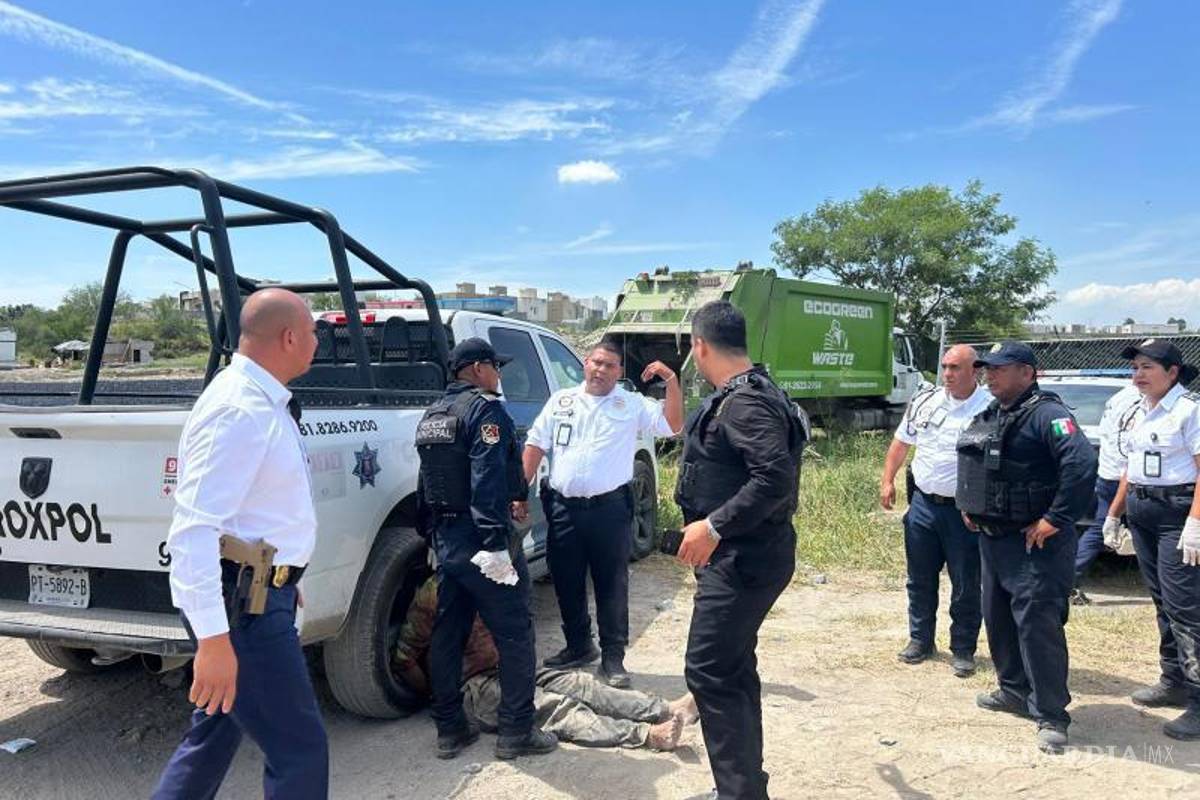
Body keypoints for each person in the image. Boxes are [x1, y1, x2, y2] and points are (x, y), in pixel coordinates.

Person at [152, 289, 327, 800]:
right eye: (313, 332)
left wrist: (286, 576)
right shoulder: (239, 409)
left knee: (214, 734)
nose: (317, 342)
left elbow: (257, 514)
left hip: (257, 593)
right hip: (242, 611)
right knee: (300, 751)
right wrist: (213, 641)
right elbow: (193, 528)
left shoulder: (261, 400)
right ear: (289, 338)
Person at [673, 301, 807, 800]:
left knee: (708, 669)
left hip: (743, 558)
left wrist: (713, 526)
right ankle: (745, 788)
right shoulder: (748, 393)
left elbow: (774, 477)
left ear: (700, 346)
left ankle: (739, 794)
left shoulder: (745, 402)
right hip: (743, 555)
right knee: (731, 668)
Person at [415, 337, 557, 761]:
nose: (499, 375)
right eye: (496, 366)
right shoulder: (484, 410)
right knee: (515, 634)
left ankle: (450, 729)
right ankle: (516, 731)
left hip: (447, 540)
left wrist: (432, 536)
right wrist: (495, 545)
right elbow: (486, 479)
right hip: (482, 541)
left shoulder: (433, 414)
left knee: (449, 632)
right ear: (478, 368)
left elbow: (425, 483)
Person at [956, 341, 1097, 754]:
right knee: (998, 619)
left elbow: (1081, 464)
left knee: (1038, 627)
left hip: (1035, 544)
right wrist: (971, 505)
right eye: (988, 368)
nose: (990, 375)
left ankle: (1051, 714)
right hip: (994, 539)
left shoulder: (1049, 415)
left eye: (1000, 368)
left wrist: (1056, 518)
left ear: (1027, 373)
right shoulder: (995, 412)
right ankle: (1013, 690)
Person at [522, 339, 683, 687]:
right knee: (566, 579)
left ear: (619, 371)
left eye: (610, 365)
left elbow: (673, 427)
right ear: (585, 363)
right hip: (563, 507)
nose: (601, 370)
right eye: (596, 362)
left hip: (609, 509)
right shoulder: (561, 401)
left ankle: (613, 657)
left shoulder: (631, 404)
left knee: (611, 583)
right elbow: (535, 444)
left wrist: (671, 381)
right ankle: (579, 645)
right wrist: (519, 491)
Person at [393, 575, 695, 751]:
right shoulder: (437, 590)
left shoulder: (497, 572)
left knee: (582, 684)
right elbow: (404, 659)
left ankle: (664, 709)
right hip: (475, 685)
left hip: (511, 668)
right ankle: (646, 736)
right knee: (555, 707)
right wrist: (441, 698)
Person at [1105, 339, 1200, 739]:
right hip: (1143, 510)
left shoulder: (1189, 410)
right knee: (1162, 601)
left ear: (1172, 373)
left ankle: (1199, 700)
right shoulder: (1140, 410)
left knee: (1185, 607)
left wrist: (1195, 523)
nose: (1138, 375)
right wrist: (1114, 512)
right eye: (1135, 368)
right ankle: (1173, 678)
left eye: (1147, 367)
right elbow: (1132, 466)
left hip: (1177, 513)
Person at [880, 344, 991, 677]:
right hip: (923, 506)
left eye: (955, 368)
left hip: (964, 513)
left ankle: (963, 648)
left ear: (975, 370)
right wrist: (887, 480)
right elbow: (902, 442)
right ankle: (920, 639)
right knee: (919, 578)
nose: (947, 374)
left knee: (966, 583)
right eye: (945, 367)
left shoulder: (990, 408)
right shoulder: (925, 401)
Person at [1071, 381, 1142, 604]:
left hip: (1108, 473)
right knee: (1104, 527)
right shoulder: (1140, 401)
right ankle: (1068, 579)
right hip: (1125, 476)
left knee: (1101, 526)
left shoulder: (1118, 397)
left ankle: (1068, 579)